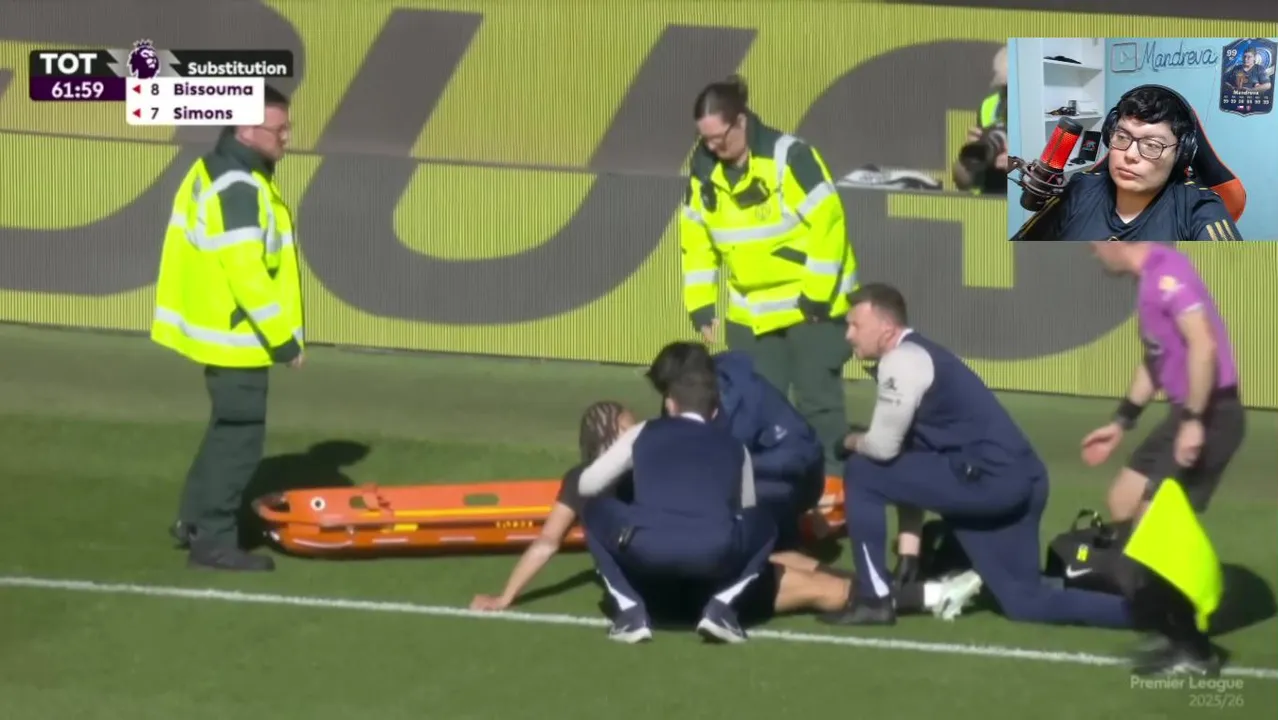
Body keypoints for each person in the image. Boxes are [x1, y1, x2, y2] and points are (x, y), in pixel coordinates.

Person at [819, 283, 1136, 633]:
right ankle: (1148, 613)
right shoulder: (919, 355)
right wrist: (909, 551)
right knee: (1025, 601)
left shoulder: (901, 361)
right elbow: (908, 466)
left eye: (856, 325)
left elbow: (882, 449)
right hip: (1025, 479)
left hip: (987, 482)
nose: (848, 335)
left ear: (886, 329)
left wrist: (849, 440)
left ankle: (874, 599)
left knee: (862, 468)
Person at [152, 85, 304, 572]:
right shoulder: (240, 185)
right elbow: (246, 273)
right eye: (279, 129)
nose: (287, 137)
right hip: (239, 337)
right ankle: (214, 542)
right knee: (239, 440)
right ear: (245, 129)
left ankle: (193, 521)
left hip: (218, 328)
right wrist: (283, 341)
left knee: (224, 432)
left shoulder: (217, 169)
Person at [576, 370, 847, 644]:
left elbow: (587, 485)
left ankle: (630, 611)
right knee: (783, 544)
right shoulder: (734, 446)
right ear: (715, 411)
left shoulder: (643, 434)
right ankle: (723, 608)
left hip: (650, 563)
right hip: (713, 563)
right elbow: (746, 509)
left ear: (670, 404)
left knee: (593, 509)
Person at [680, 74, 857, 468]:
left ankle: (832, 486)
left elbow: (829, 224)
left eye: (719, 138)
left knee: (818, 406)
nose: (712, 147)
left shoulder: (790, 158)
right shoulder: (702, 171)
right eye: (704, 140)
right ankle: (766, 488)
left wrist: (815, 294)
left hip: (813, 307)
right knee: (753, 408)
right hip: (752, 313)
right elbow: (696, 240)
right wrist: (701, 304)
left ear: (741, 121)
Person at [1079, 241, 1244, 523]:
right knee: (1122, 501)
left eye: (1094, 246)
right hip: (1185, 415)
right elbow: (1156, 358)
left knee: (1153, 522)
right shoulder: (1149, 277)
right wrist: (1121, 422)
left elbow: (1204, 345)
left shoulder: (1167, 275)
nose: (1094, 254)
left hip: (1213, 415)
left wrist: (1193, 422)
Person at [644, 340, 827, 553]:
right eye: (664, 393)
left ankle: (782, 543)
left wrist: (740, 465)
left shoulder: (752, 395)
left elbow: (803, 453)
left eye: (669, 392)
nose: (667, 402)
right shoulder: (678, 400)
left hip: (788, 479)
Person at [1011, 85, 1245, 241]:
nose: (1130, 155)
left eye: (1152, 145)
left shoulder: (1200, 208)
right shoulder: (1080, 187)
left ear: (1180, 154)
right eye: (1122, 137)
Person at [470, 401, 637, 611]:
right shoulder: (646, 466)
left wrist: (504, 598)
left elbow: (547, 542)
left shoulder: (579, 479)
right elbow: (546, 542)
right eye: (633, 428)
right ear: (620, 431)